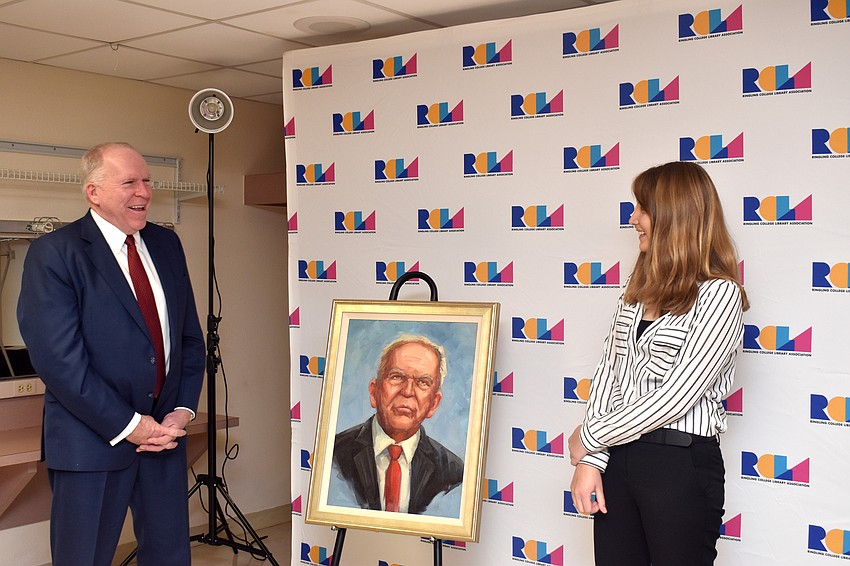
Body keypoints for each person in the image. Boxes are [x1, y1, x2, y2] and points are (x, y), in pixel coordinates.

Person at [17, 142, 206, 566]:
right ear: (94, 192)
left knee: (170, 556)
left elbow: (189, 340)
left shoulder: (166, 245)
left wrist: (181, 410)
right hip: (91, 441)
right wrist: (130, 425)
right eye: (129, 182)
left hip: (163, 440)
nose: (143, 191)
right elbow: (60, 363)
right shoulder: (55, 254)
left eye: (147, 180)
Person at [568, 161, 749, 566]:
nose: (633, 220)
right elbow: (608, 373)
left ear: (674, 216)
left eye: (642, 209)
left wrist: (591, 435)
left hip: (679, 464)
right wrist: (593, 460)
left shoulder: (720, 295)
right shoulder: (636, 291)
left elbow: (676, 395)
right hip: (618, 459)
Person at [331, 335, 464, 514]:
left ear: (433, 404)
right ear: (374, 392)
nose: (408, 391)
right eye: (397, 377)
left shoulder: (453, 473)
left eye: (422, 383)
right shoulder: (334, 455)